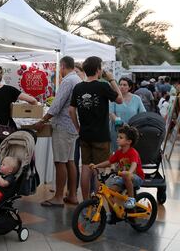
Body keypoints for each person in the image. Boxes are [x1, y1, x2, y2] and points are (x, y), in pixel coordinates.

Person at [69, 56, 123, 201]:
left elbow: (71, 110)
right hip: (101, 135)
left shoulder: (78, 87)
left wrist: (78, 127)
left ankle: (86, 202)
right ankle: (97, 202)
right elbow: (120, 99)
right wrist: (111, 80)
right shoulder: (103, 86)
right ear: (98, 70)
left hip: (85, 134)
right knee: (98, 170)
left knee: (85, 168)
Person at [35, 56, 81, 207]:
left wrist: (43, 120)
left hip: (63, 125)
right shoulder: (77, 79)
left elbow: (57, 104)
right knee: (70, 161)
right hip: (72, 126)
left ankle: (58, 197)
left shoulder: (68, 80)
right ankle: (73, 195)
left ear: (62, 66)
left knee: (60, 162)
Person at [90, 125, 144, 211]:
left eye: (121, 137)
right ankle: (113, 213)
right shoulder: (119, 153)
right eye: (118, 136)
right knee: (109, 193)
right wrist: (96, 165)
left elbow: (134, 164)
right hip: (124, 178)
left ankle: (131, 199)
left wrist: (129, 172)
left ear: (129, 141)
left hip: (137, 177)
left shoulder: (133, 152)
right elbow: (109, 162)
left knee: (126, 176)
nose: (117, 139)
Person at [110, 78, 146, 151]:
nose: (122, 87)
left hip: (132, 130)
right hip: (117, 130)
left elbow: (142, 113)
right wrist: (121, 123)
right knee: (118, 152)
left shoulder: (137, 99)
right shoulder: (114, 98)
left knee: (130, 152)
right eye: (120, 85)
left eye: (124, 85)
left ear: (129, 87)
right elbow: (111, 113)